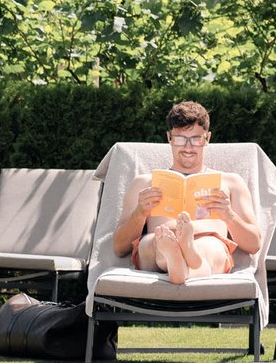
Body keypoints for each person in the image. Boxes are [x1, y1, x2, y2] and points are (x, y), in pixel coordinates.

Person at [111, 101, 262, 284]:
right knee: (154, 242)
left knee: (210, 246)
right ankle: (177, 256)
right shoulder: (144, 183)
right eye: (181, 139)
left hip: (209, 242)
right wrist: (140, 213)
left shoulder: (230, 182)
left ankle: (182, 260)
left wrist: (228, 215)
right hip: (159, 240)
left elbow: (254, 244)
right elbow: (119, 247)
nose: (188, 147)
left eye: (196, 139)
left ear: (207, 138)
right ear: (169, 138)